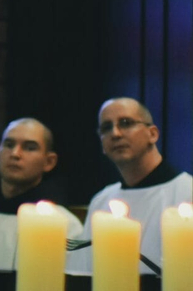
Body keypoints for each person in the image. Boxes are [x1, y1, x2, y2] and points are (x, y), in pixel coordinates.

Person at [76, 97, 193, 273]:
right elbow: (84, 271)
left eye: (126, 123)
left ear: (152, 134)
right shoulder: (101, 201)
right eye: (106, 128)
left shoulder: (187, 192)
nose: (115, 134)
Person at [0, 118, 81, 271]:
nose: (15, 154)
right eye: (9, 145)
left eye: (29, 148)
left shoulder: (66, 227)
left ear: (49, 162)